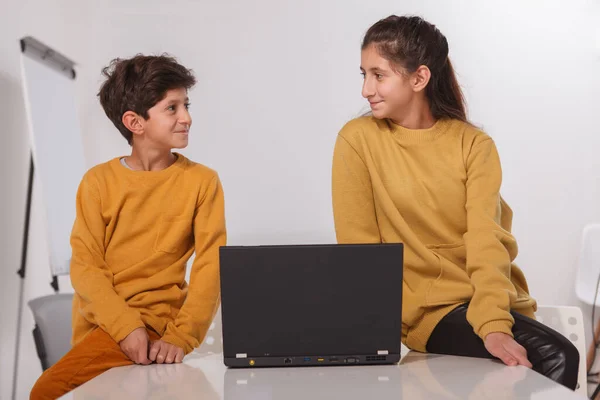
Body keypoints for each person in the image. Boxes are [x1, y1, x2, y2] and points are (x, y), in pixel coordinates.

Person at [331, 15, 579, 390]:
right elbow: (360, 249)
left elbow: (486, 241)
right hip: (425, 311)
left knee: (548, 360)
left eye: (379, 75)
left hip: (488, 300)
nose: (366, 89)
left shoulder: (473, 145)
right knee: (555, 356)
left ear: (419, 78)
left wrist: (494, 324)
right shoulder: (357, 140)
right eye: (363, 74)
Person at [30, 54, 226, 399]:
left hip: (158, 328)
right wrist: (126, 328)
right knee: (48, 390)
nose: (187, 117)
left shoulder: (202, 182)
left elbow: (212, 266)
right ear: (135, 122)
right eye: (172, 108)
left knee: (46, 391)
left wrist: (181, 336)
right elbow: (87, 267)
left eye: (186, 105)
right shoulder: (98, 182)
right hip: (110, 327)